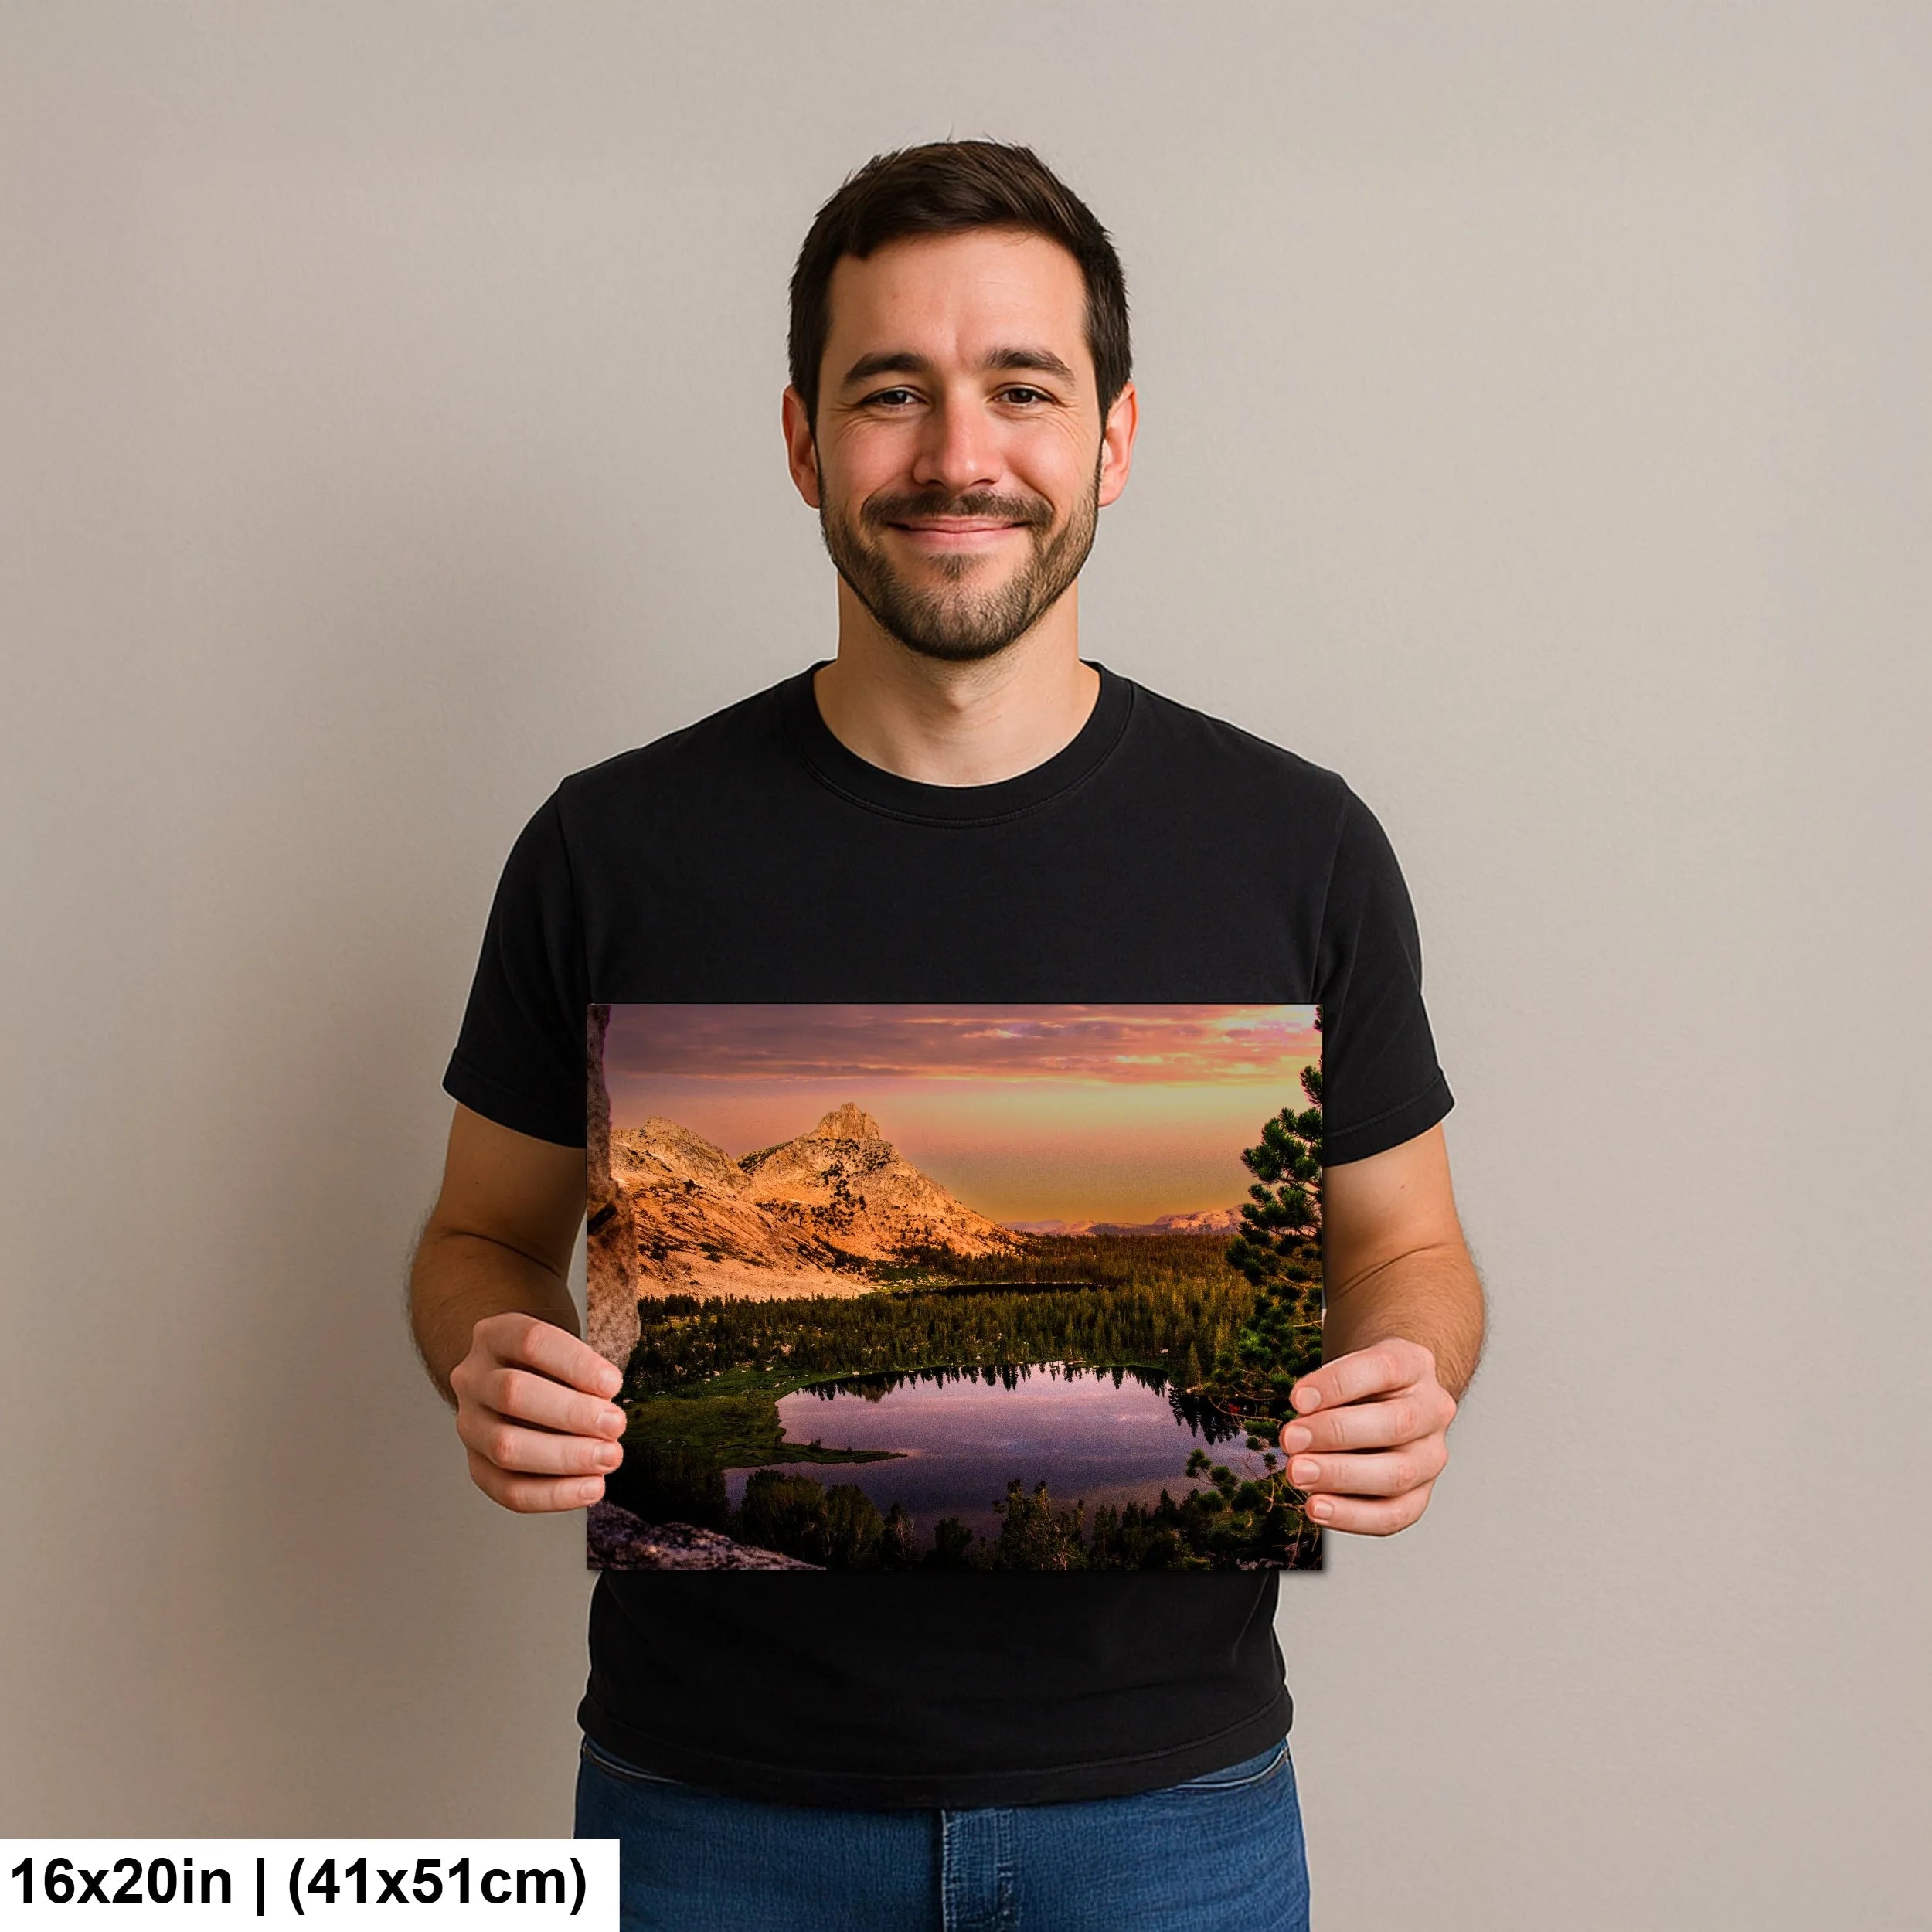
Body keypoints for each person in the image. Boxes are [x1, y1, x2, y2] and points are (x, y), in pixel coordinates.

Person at [409, 138, 1485, 1932]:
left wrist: (1407, 1376)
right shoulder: (611, 845)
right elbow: (474, 1236)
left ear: (1113, 440)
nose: (956, 454)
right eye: (889, 392)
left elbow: (1414, 1251)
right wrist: (494, 1353)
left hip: (1172, 1813)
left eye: (1020, 389)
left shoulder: (1295, 845)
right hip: (707, 1817)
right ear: (800, 440)